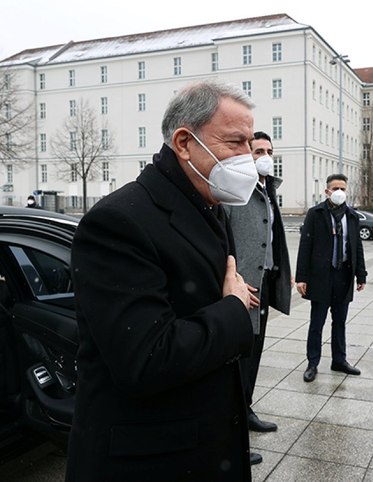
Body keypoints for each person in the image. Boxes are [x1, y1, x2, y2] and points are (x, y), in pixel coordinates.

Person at [66, 81, 260, 481]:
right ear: (185, 143)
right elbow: (146, 359)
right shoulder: (120, 221)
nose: (249, 158)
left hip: (201, 445)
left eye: (251, 144)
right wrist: (233, 309)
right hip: (151, 460)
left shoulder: (207, 203)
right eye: (236, 143)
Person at [222, 131, 291, 454]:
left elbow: (274, 236)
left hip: (263, 287)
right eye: (258, 150)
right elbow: (223, 241)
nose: (264, 155)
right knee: (236, 362)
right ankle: (231, 435)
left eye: (269, 151)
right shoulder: (235, 191)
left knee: (254, 356)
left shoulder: (268, 189)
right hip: (242, 289)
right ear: (247, 154)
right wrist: (233, 278)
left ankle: (245, 410)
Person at [296, 174, 367, 383]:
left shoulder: (352, 216)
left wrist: (361, 275)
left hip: (343, 276)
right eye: (335, 188)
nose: (339, 192)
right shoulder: (315, 214)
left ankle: (339, 360)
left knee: (340, 322)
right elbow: (305, 247)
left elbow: (357, 247)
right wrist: (301, 277)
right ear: (327, 191)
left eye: (343, 188)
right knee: (317, 323)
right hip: (320, 277)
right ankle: (312, 363)